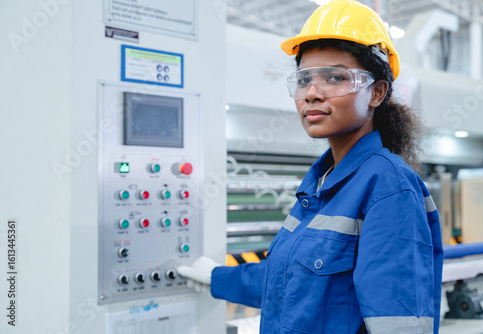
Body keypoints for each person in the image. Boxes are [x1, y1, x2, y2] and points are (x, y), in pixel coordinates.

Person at [178, 1, 444, 333]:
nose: (312, 94)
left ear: (376, 92)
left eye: (335, 77)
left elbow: (399, 323)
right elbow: (290, 280)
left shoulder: (388, 186)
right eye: (304, 80)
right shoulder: (321, 184)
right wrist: (217, 278)